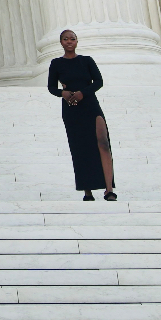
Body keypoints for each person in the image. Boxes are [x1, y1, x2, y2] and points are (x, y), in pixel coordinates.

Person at [47, 29, 116, 201]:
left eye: (72, 39)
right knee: (80, 147)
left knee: (103, 142)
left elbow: (98, 81)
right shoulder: (56, 63)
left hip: (90, 105)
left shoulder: (87, 61)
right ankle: (88, 191)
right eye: (65, 39)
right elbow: (51, 87)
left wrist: (82, 93)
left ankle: (109, 189)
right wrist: (63, 94)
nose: (69, 42)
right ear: (61, 42)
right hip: (71, 108)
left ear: (77, 41)